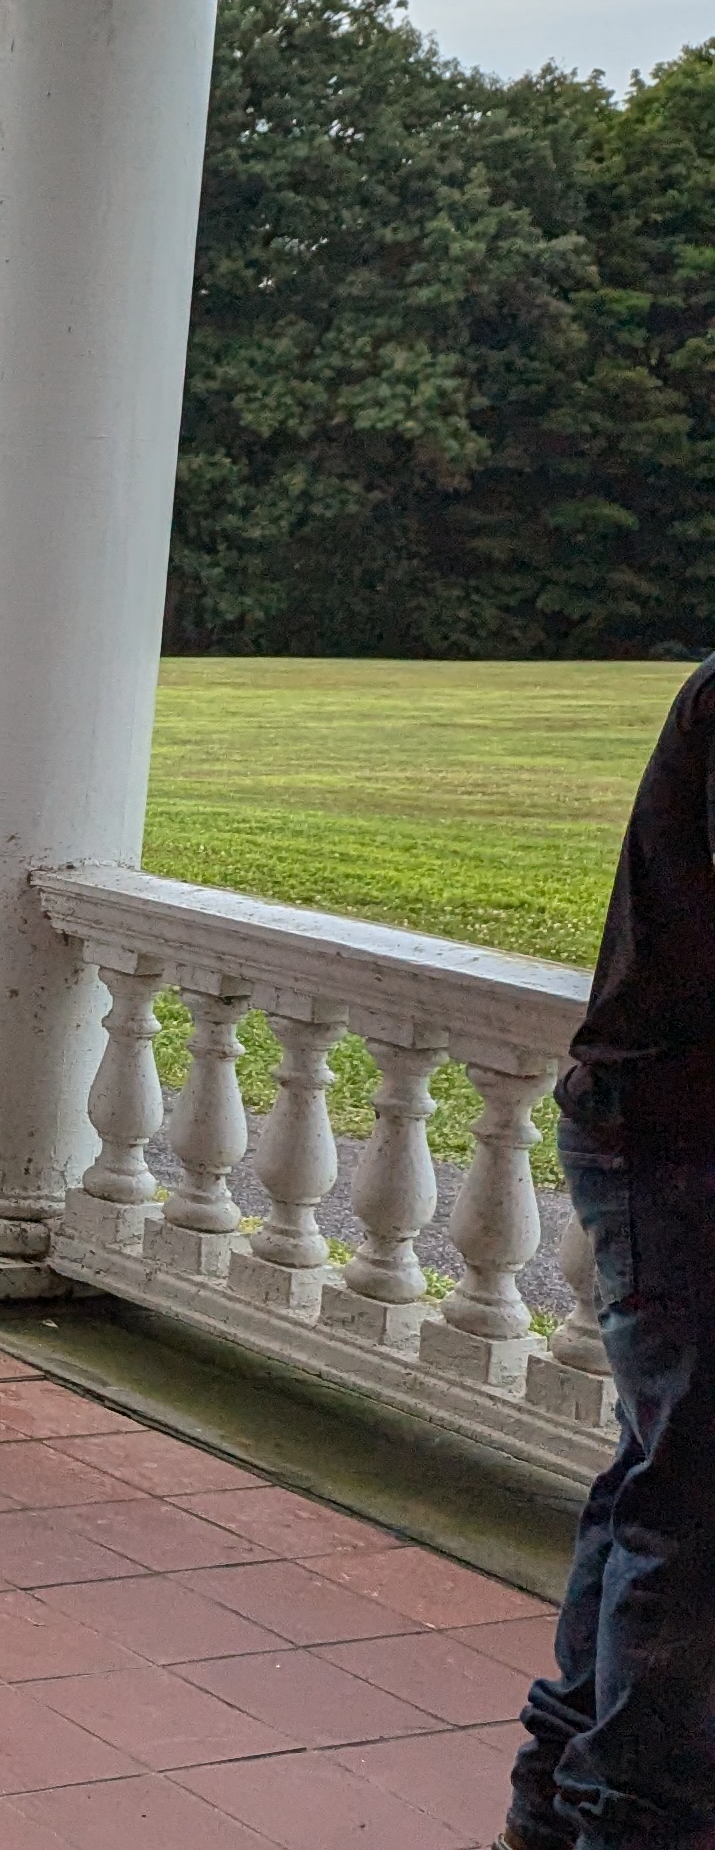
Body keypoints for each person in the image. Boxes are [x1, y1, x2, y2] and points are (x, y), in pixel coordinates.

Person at [507, 653, 715, 1850]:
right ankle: (628, 1824)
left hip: (663, 1135)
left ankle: (559, 1808)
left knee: (663, 1491)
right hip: (683, 1146)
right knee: (692, 1516)